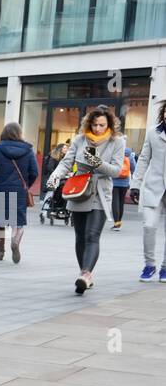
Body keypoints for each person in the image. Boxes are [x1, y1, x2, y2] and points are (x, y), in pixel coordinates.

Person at [47, 105, 126, 295]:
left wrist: (97, 163)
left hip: (100, 191)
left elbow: (116, 170)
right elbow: (67, 162)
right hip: (79, 190)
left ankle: (85, 274)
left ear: (109, 124)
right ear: (89, 123)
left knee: (92, 235)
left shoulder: (117, 141)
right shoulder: (79, 139)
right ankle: (85, 274)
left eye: (102, 125)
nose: (98, 128)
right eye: (95, 124)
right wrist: (55, 176)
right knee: (80, 237)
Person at [0, 122, 38, 264]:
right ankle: (15, 240)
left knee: (0, 222)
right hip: (19, 190)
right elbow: (34, 172)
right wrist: (26, 185)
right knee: (18, 222)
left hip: (1, 188)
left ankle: (0, 251)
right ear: (19, 133)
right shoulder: (28, 151)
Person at [130, 100, 166, 282]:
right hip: (154, 187)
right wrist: (136, 184)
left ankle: (165, 268)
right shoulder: (153, 132)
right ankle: (149, 264)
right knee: (149, 225)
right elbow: (143, 158)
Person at [111, 144, 136, 231]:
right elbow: (133, 168)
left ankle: (116, 223)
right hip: (125, 182)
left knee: (115, 202)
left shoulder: (114, 153)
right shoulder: (129, 155)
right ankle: (119, 222)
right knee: (121, 202)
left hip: (114, 181)